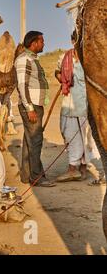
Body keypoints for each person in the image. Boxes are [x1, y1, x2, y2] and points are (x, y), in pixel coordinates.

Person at [54, 32, 104, 184]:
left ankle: (81, 169)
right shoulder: (64, 57)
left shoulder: (90, 60)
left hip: (85, 105)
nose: (78, 43)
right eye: (76, 40)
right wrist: (61, 78)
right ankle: (76, 168)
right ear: (72, 40)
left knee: (87, 139)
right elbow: (57, 72)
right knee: (69, 135)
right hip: (68, 103)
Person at [15, 31, 55, 187]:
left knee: (29, 141)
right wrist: (29, 108)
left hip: (35, 105)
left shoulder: (32, 59)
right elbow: (22, 85)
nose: (44, 44)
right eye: (41, 41)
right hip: (30, 106)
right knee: (36, 142)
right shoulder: (23, 60)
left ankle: (27, 175)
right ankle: (38, 177)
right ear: (33, 43)